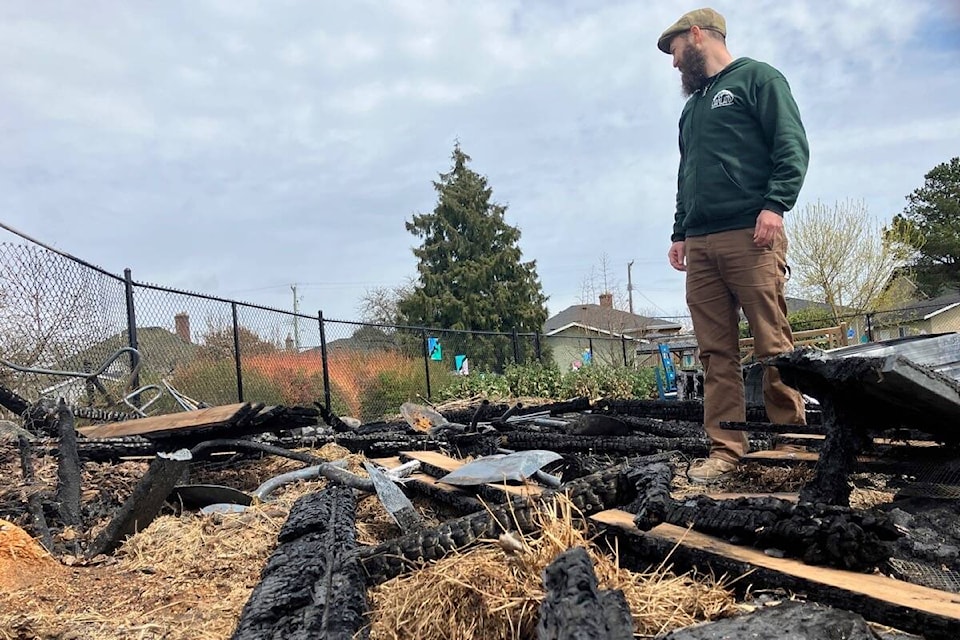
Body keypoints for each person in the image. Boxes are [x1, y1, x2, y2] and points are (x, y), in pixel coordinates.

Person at [658, 8, 809, 483]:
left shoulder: (758, 79)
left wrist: (775, 205)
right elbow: (687, 176)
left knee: (772, 343)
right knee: (713, 352)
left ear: (698, 36)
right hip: (701, 244)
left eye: (677, 50)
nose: (675, 63)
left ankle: (793, 445)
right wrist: (680, 231)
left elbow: (791, 144)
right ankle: (726, 449)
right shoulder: (691, 108)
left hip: (752, 233)